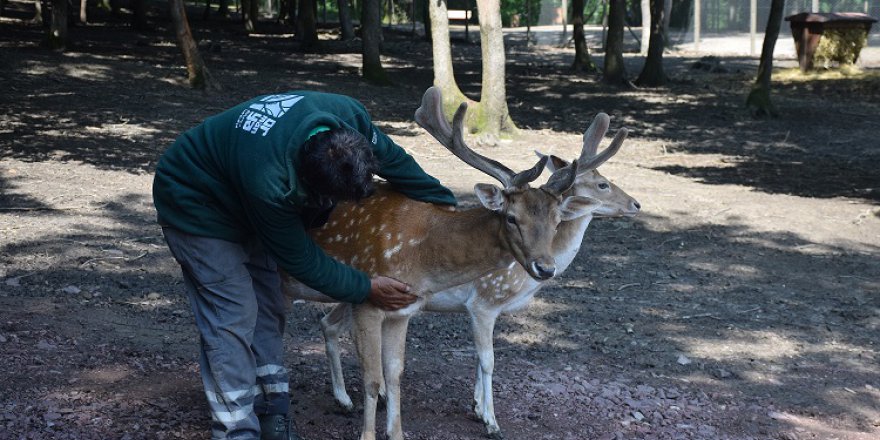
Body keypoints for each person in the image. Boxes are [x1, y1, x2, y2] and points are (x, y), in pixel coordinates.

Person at [152, 91, 456, 440]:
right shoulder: (269, 180)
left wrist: (447, 213)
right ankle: (236, 429)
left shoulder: (350, 118)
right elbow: (300, 258)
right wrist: (366, 287)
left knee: (268, 307)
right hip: (196, 203)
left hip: (241, 193)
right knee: (232, 314)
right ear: (306, 180)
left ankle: (272, 414)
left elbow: (398, 164)